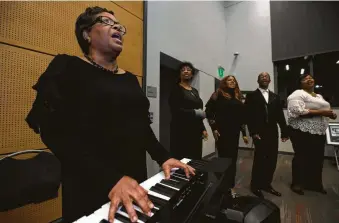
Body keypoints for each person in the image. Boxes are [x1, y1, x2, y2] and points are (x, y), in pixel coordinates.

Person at [27, 7, 194, 223]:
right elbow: (53, 133)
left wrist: (164, 157)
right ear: (86, 34)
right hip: (88, 183)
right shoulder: (67, 66)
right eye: (106, 21)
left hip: (133, 181)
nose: (117, 27)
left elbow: (141, 128)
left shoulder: (130, 79)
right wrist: (112, 179)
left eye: (119, 25)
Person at [287, 74, 337, 195]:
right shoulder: (298, 94)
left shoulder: (318, 96)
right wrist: (323, 112)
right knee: (301, 157)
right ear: (300, 83)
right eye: (305, 78)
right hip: (301, 130)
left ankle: (314, 184)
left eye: (311, 78)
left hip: (318, 131)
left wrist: (330, 114)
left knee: (317, 158)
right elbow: (297, 111)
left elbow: (324, 109)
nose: (309, 79)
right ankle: (297, 184)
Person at [245, 72, 289, 198]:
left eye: (266, 77)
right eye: (261, 76)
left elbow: (280, 115)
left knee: (272, 159)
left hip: (272, 132)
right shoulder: (251, 96)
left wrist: (284, 131)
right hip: (259, 133)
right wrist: (253, 132)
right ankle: (255, 186)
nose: (264, 78)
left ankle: (266, 184)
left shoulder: (275, 97)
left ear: (270, 80)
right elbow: (249, 116)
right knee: (260, 160)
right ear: (257, 80)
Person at [205, 75, 248, 194]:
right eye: (229, 80)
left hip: (234, 132)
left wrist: (244, 133)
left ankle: (230, 185)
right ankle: (221, 184)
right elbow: (208, 111)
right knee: (224, 158)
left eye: (234, 80)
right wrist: (213, 128)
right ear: (224, 82)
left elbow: (242, 117)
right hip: (222, 131)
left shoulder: (238, 96)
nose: (232, 82)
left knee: (233, 158)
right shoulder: (218, 93)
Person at [169, 62, 208, 160]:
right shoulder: (176, 89)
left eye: (188, 69)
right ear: (179, 74)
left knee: (195, 158)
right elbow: (175, 110)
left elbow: (199, 111)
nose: (186, 71)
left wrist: (202, 128)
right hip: (181, 131)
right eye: (183, 70)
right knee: (183, 161)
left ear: (192, 74)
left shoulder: (194, 91)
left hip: (195, 131)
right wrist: (194, 112)